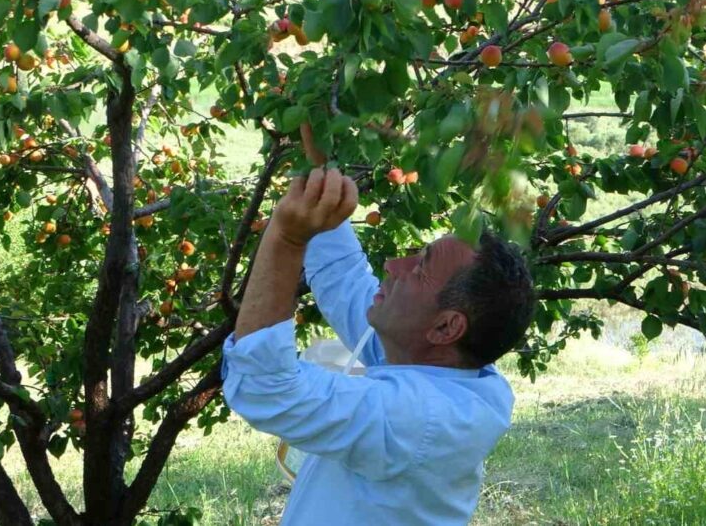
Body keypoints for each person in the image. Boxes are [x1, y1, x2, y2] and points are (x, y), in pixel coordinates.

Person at [221, 166, 535, 525]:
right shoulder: (443, 365)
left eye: (419, 270)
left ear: (447, 327)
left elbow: (266, 387)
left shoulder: (419, 417)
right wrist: (321, 176)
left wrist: (288, 239)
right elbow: (345, 281)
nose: (393, 265)